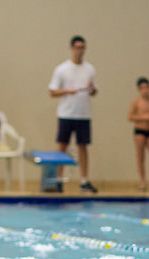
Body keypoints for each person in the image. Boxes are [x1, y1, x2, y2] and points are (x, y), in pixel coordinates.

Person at [49, 35, 98, 193]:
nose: (80, 51)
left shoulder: (90, 69)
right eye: (77, 47)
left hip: (83, 114)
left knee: (83, 146)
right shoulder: (62, 69)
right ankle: (58, 179)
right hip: (66, 113)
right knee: (62, 145)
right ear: (71, 48)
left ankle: (84, 180)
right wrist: (67, 91)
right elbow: (52, 91)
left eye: (82, 48)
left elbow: (93, 91)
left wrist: (93, 90)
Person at [127, 77, 149, 192]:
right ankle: (142, 180)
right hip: (139, 131)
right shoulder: (136, 102)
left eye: (147, 87)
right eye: (143, 88)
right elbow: (130, 117)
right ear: (139, 90)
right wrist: (143, 117)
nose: (145, 90)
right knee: (141, 157)